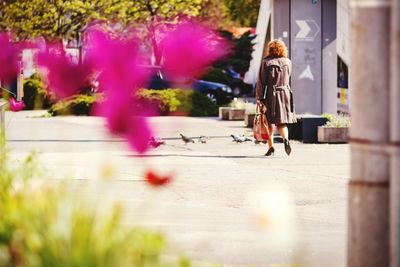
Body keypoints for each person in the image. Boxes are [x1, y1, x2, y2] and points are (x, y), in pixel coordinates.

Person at [256, 39, 296, 156]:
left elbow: (261, 82)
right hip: (285, 94)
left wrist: (260, 98)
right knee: (281, 122)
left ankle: (271, 148)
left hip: (272, 95)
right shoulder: (288, 62)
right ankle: (286, 140)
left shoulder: (267, 62)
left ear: (270, 49)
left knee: (268, 122)